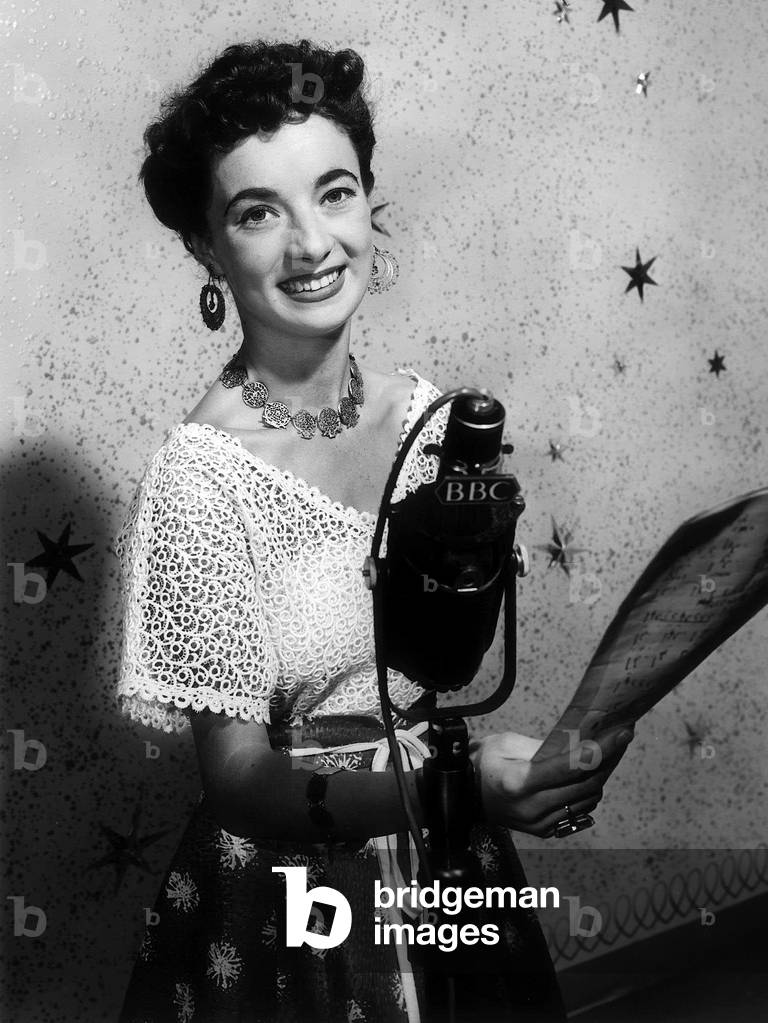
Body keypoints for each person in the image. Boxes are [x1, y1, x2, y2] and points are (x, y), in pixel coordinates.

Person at [114, 39, 634, 1023]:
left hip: (447, 858)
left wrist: (533, 769)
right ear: (206, 249)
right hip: (296, 906)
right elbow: (237, 785)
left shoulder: (436, 421)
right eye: (259, 211)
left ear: (369, 204)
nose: (312, 245)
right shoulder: (202, 477)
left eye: (335, 192)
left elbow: (445, 668)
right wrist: (454, 789)